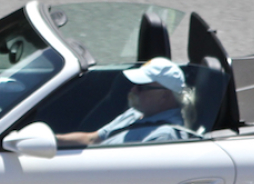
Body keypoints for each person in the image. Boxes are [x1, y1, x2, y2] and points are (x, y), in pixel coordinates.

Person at [56, 57, 189, 148]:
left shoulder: (164, 137)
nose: (133, 90)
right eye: (135, 84)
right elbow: (93, 139)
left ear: (164, 96)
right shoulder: (135, 113)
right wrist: (54, 141)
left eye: (141, 87)